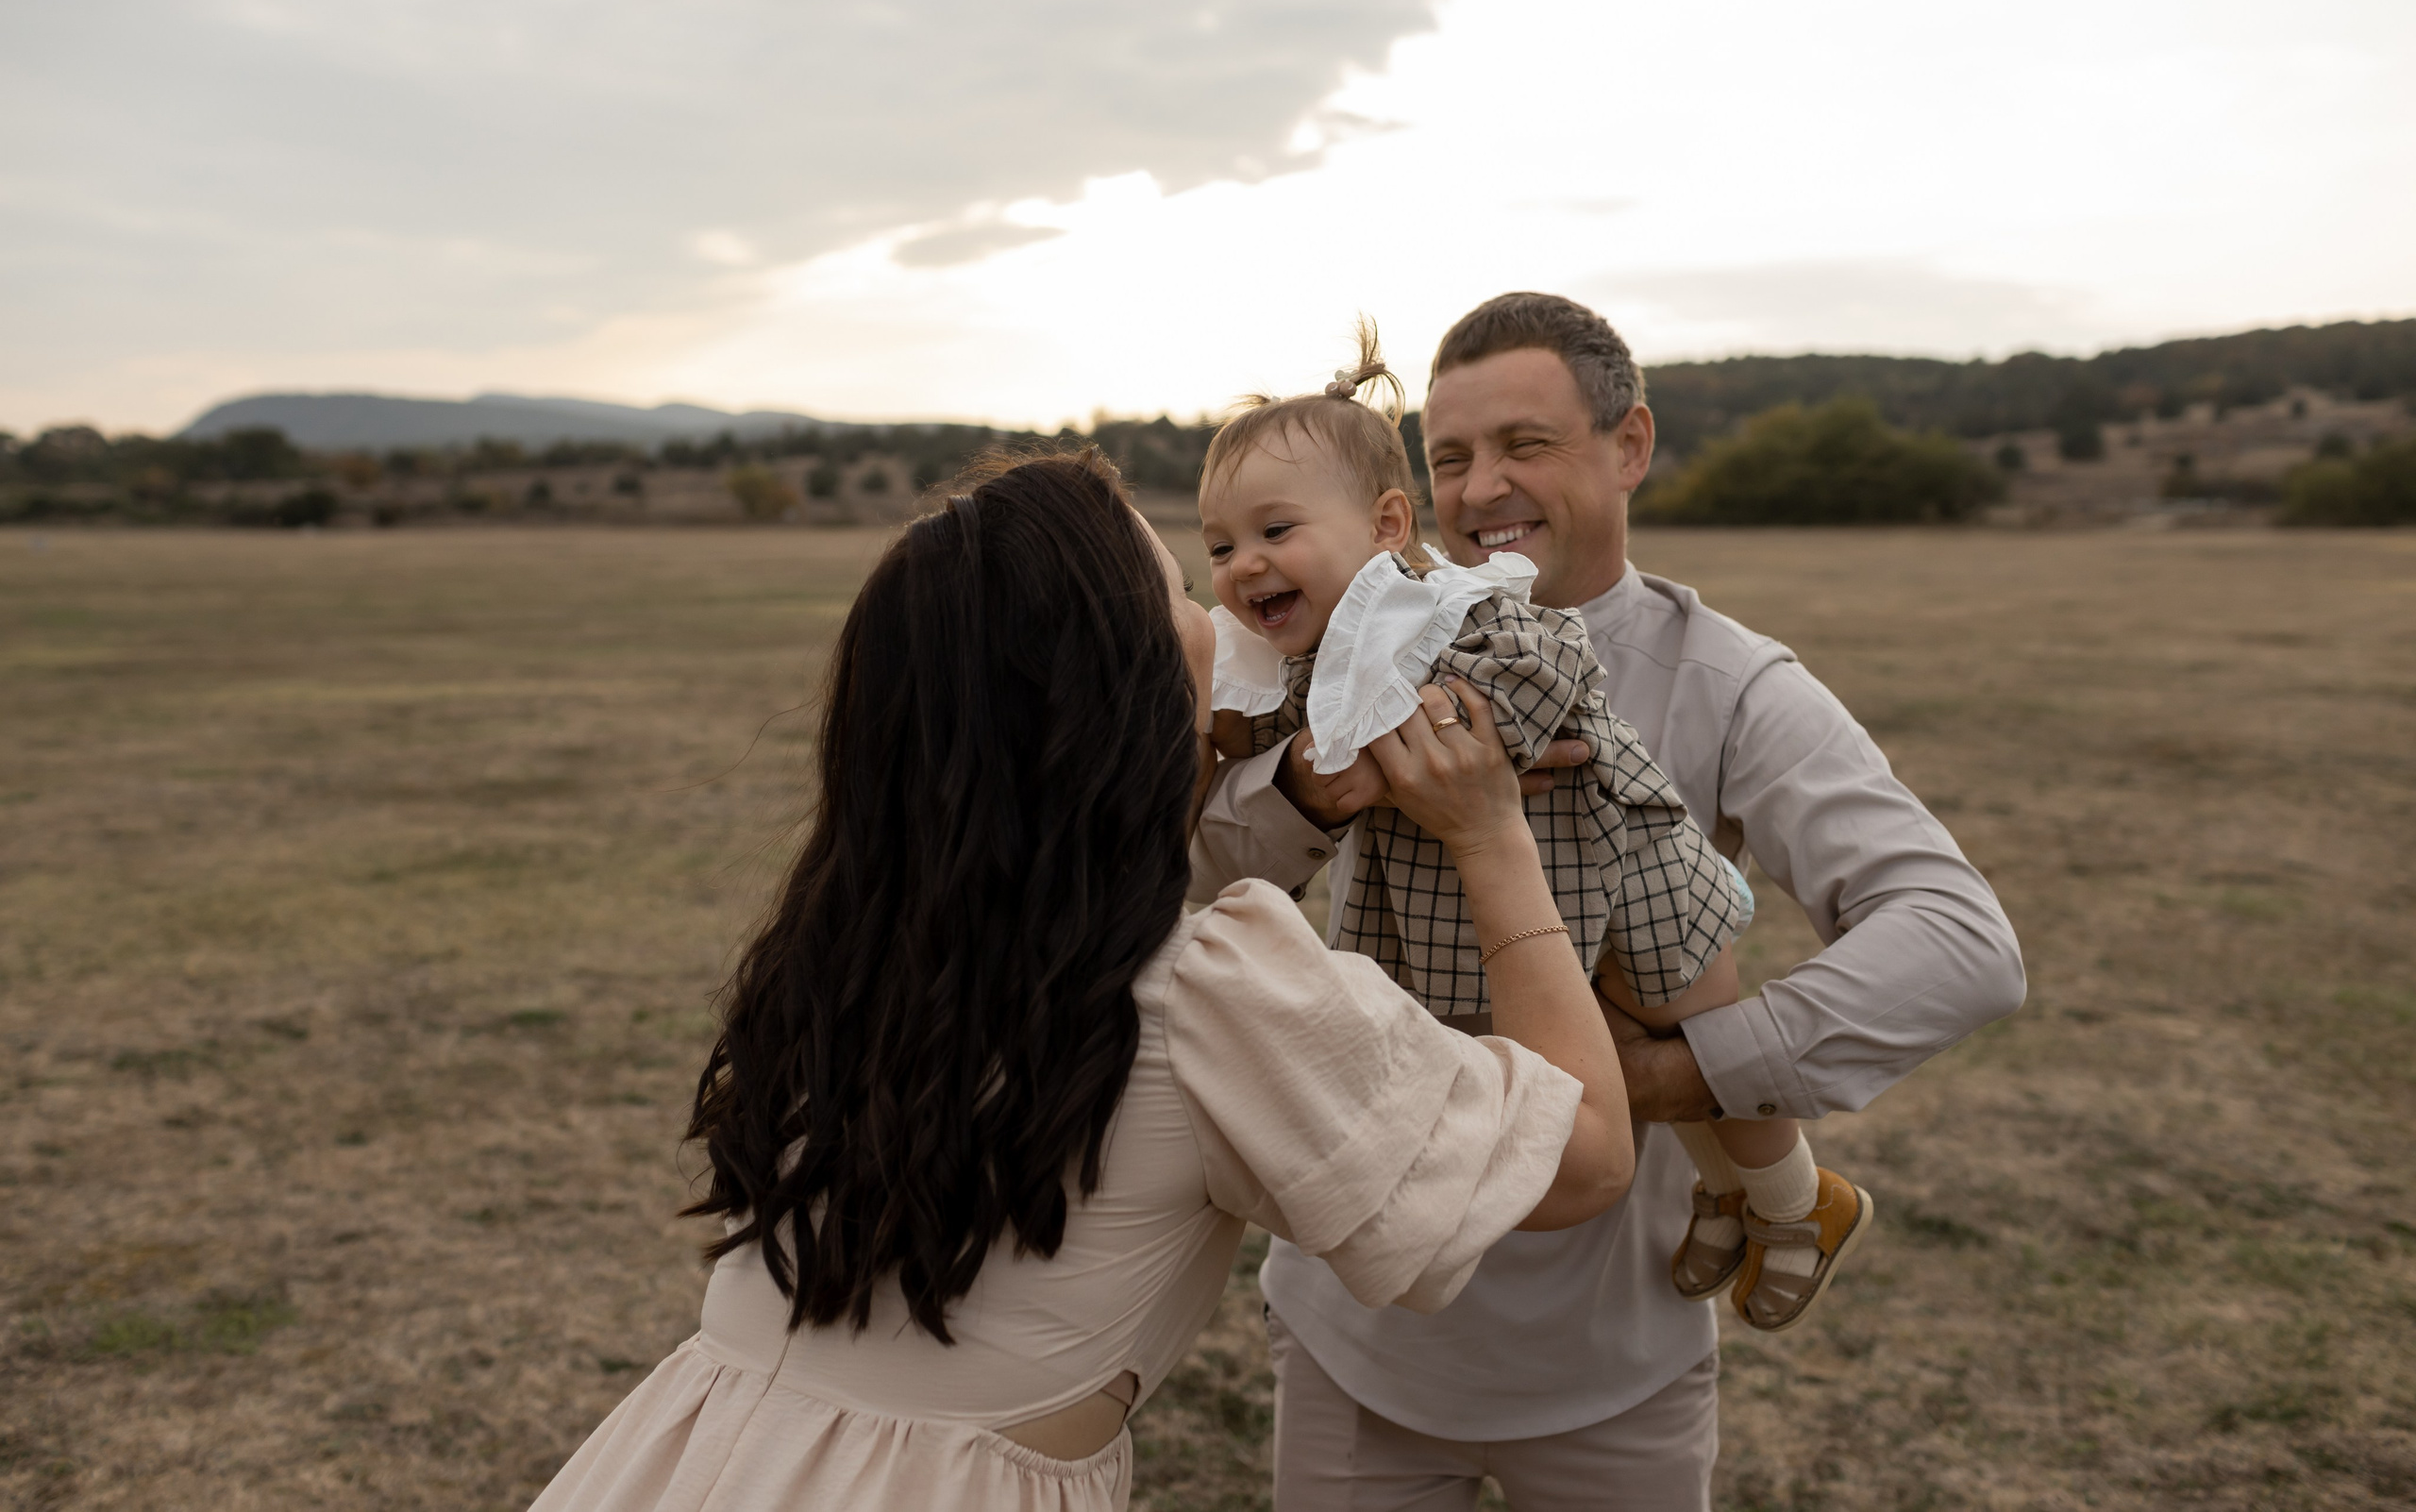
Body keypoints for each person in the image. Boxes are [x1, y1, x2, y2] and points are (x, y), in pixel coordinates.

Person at [528, 450, 1638, 1512]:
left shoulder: (855, 942)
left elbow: (1102, 867)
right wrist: (1491, 834)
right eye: (1177, 587)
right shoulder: (1205, 993)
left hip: (694, 1459)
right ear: (1122, 682)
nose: (1213, 611)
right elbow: (1584, 1158)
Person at [1191, 294, 2026, 1510]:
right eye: (1452, 460)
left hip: (1619, 1364)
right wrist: (1313, 796)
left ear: (1629, 446)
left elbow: (1960, 948)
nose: (1483, 493)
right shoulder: (1342, 646)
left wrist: (1648, 1079)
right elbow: (1176, 888)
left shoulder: (1728, 681)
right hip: (1354, 1339)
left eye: (1526, 446)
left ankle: (1790, 1203)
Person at [1197, 322, 1873, 1335]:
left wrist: (1408, 738)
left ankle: (1792, 1201)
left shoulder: (1453, 608)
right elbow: (1278, 764)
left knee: (1699, 1044)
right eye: (1220, 547)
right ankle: (1732, 1196)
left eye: (1275, 533)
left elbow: (1544, 669)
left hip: (1629, 871)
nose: (1245, 565)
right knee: (1602, 1039)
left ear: (1387, 526)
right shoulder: (1308, 658)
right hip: (1515, 920)